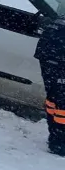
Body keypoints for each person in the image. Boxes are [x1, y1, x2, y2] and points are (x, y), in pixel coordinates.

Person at [34, 14, 65, 156]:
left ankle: (55, 137)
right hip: (57, 57)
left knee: (53, 98)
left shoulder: (60, 21)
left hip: (49, 54)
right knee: (62, 103)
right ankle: (60, 143)